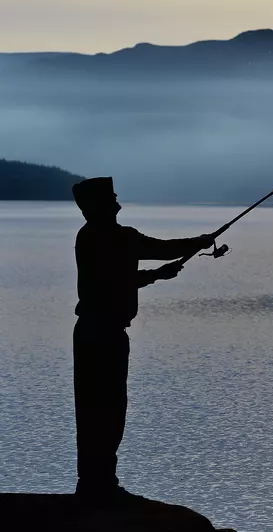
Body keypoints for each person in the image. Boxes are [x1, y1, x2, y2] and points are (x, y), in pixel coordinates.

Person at [70, 176, 215, 501]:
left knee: (102, 410)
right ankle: (97, 485)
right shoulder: (107, 238)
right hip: (101, 333)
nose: (116, 199)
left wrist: (200, 242)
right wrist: (158, 274)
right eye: (110, 197)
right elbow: (113, 278)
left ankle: (97, 483)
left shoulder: (104, 236)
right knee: (103, 409)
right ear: (97, 205)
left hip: (97, 332)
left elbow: (157, 251)